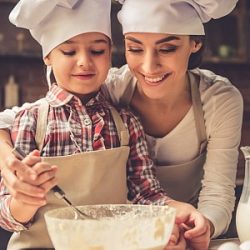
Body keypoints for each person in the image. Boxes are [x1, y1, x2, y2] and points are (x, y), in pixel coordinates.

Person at [0, 0, 242, 249]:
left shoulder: (129, 119)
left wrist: (189, 222)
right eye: (135, 49)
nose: (149, 67)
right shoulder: (103, 90)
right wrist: (12, 173)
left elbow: (150, 193)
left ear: (195, 43)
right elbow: (11, 121)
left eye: (167, 48)